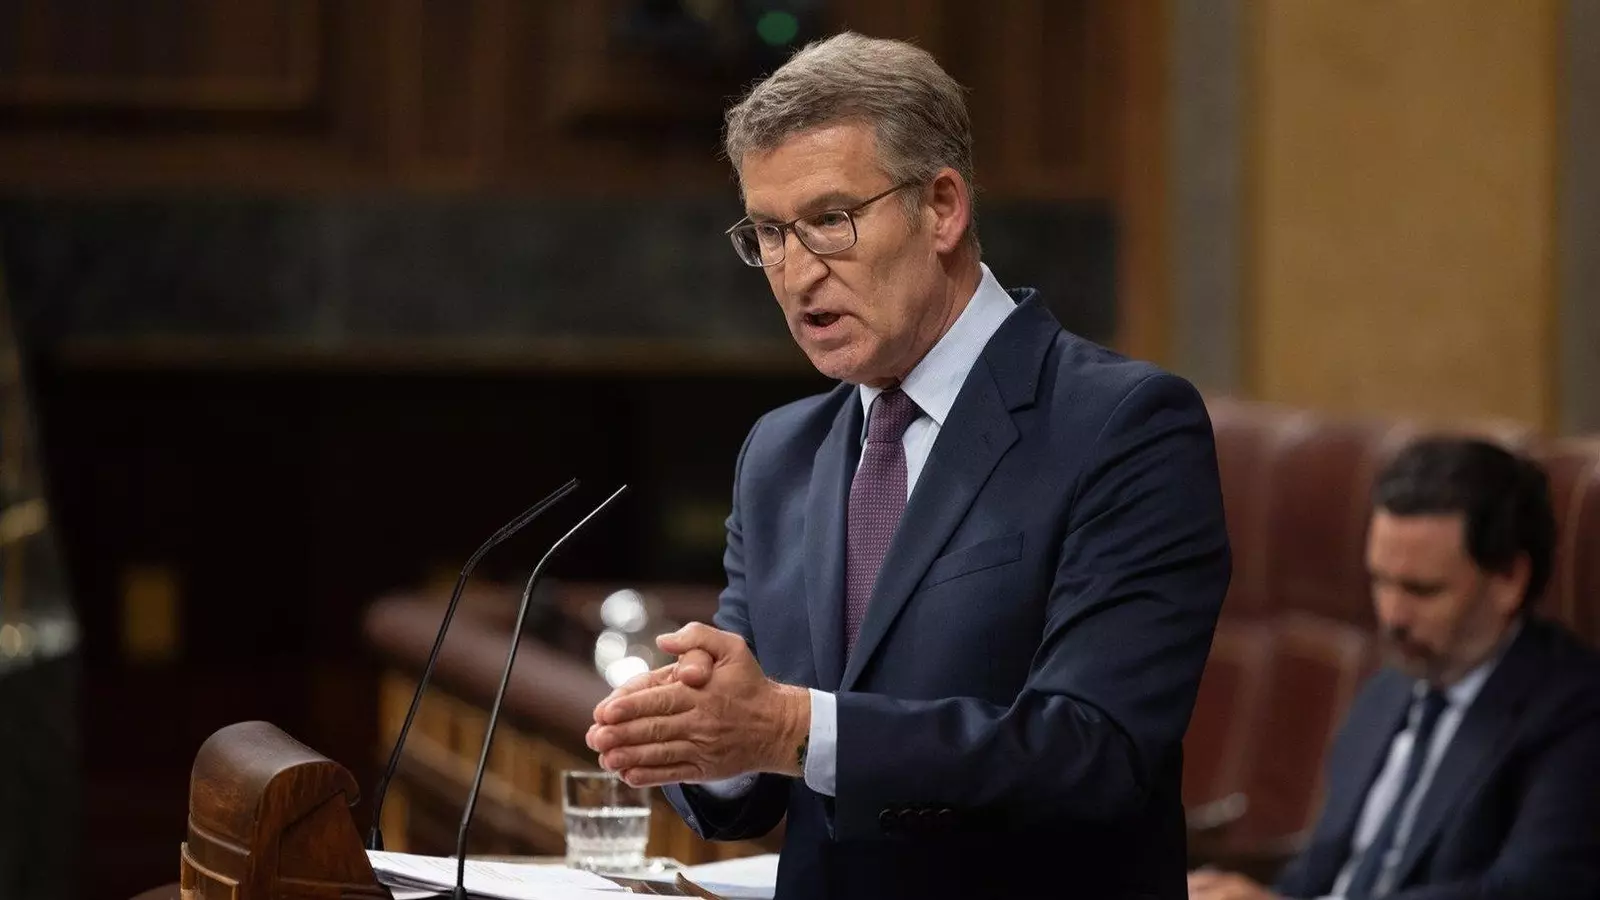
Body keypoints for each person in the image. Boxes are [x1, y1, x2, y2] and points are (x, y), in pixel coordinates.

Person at [585, 32, 1231, 899]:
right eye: (770, 233)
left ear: (942, 208)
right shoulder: (780, 454)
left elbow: (1095, 752)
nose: (796, 274)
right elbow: (753, 782)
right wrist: (702, 734)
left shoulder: (1124, 426)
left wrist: (790, 728)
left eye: (830, 220)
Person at [1188, 437, 1600, 900]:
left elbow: (1533, 889)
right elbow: (1318, 874)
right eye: (1380, 581)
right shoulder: (1391, 688)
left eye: (1421, 590)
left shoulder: (1574, 712)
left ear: (1509, 579)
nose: (1392, 616)